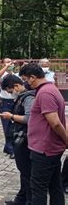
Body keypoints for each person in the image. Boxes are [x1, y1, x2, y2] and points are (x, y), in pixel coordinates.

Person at [19, 63, 67, 204]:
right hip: (49, 147)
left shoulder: (45, 93)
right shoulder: (50, 88)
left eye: (26, 79)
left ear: (33, 77)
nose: (26, 83)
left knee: (38, 188)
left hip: (44, 149)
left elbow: (55, 122)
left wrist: (66, 139)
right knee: (54, 185)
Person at [0, 75, 35, 205]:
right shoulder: (24, 96)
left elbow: (30, 119)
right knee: (24, 173)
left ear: (16, 86)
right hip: (21, 138)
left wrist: (11, 116)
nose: (11, 94)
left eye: (10, 91)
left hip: (26, 139)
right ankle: (21, 200)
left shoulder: (28, 98)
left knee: (27, 174)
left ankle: (28, 201)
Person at [0, 58, 17, 159]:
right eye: (7, 62)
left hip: (15, 102)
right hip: (5, 103)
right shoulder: (3, 75)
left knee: (15, 126)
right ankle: (11, 149)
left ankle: (9, 147)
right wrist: (6, 67)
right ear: (3, 64)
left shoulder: (16, 75)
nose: (9, 63)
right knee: (7, 126)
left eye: (10, 62)